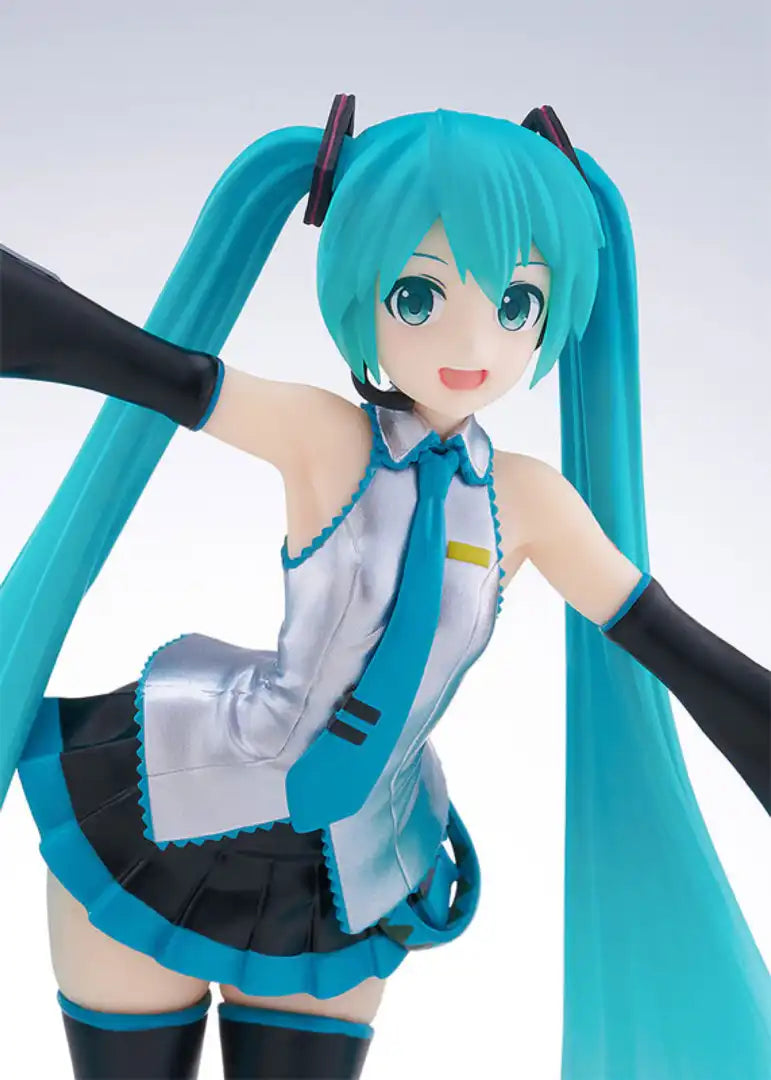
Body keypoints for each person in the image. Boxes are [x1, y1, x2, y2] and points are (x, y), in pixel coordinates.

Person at [1, 98, 769, 1080]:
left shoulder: (528, 501)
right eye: (418, 296)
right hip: (166, 810)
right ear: (362, 293)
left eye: (514, 305)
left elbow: (670, 643)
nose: (471, 342)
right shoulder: (325, 437)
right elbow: (160, 375)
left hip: (352, 864)